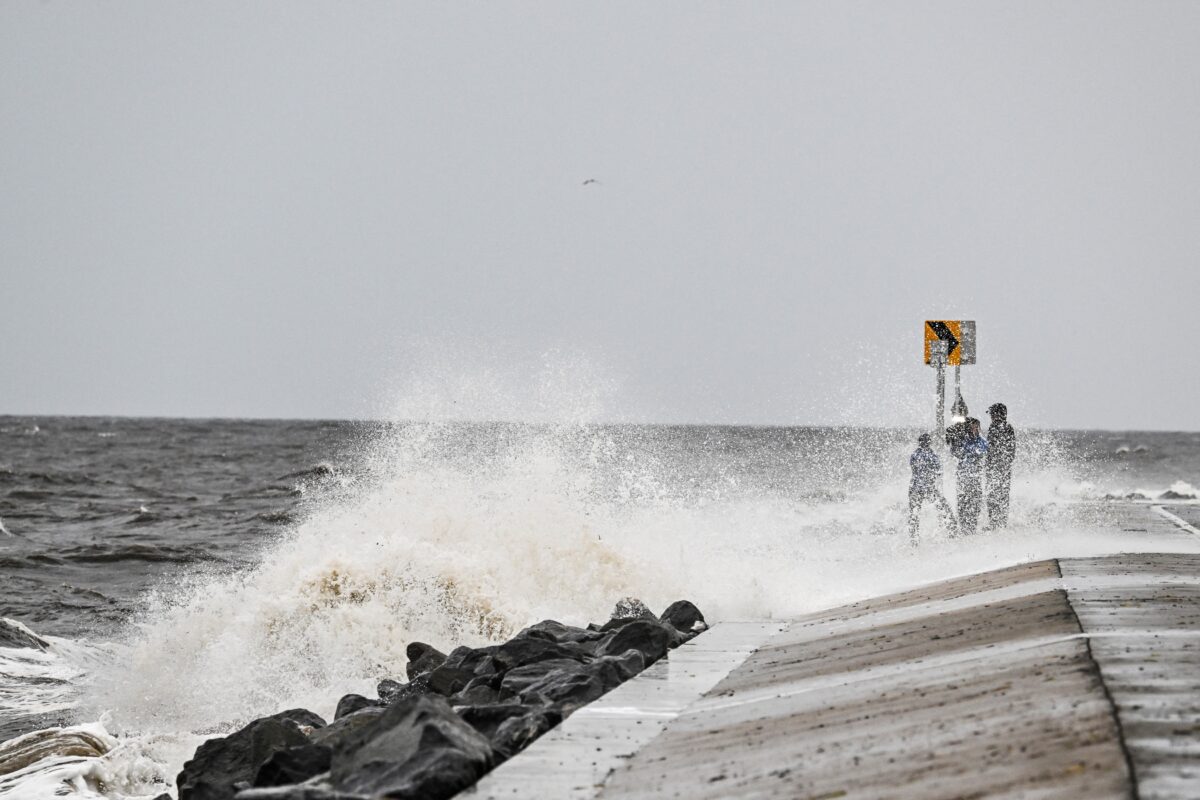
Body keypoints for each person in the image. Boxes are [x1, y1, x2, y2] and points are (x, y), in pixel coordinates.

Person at [908, 433, 956, 542]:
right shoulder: (932, 455)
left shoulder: (914, 454)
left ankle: (913, 537)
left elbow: (913, 468)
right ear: (929, 443)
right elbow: (938, 470)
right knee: (943, 508)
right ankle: (952, 530)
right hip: (929, 488)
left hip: (915, 488)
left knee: (914, 513)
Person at [951, 417, 988, 535]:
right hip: (962, 478)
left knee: (975, 505)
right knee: (963, 505)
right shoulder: (962, 440)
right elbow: (955, 452)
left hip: (975, 478)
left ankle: (972, 529)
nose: (975, 430)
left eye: (976, 427)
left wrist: (973, 452)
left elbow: (984, 450)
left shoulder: (981, 440)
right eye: (972, 427)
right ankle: (964, 529)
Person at [985, 402, 1017, 529]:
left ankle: (998, 523)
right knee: (996, 495)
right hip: (997, 468)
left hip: (1000, 468)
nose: (991, 417)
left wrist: (998, 463)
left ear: (998, 414)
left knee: (998, 495)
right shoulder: (996, 426)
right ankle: (996, 523)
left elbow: (1010, 450)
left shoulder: (1004, 427)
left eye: (992, 414)